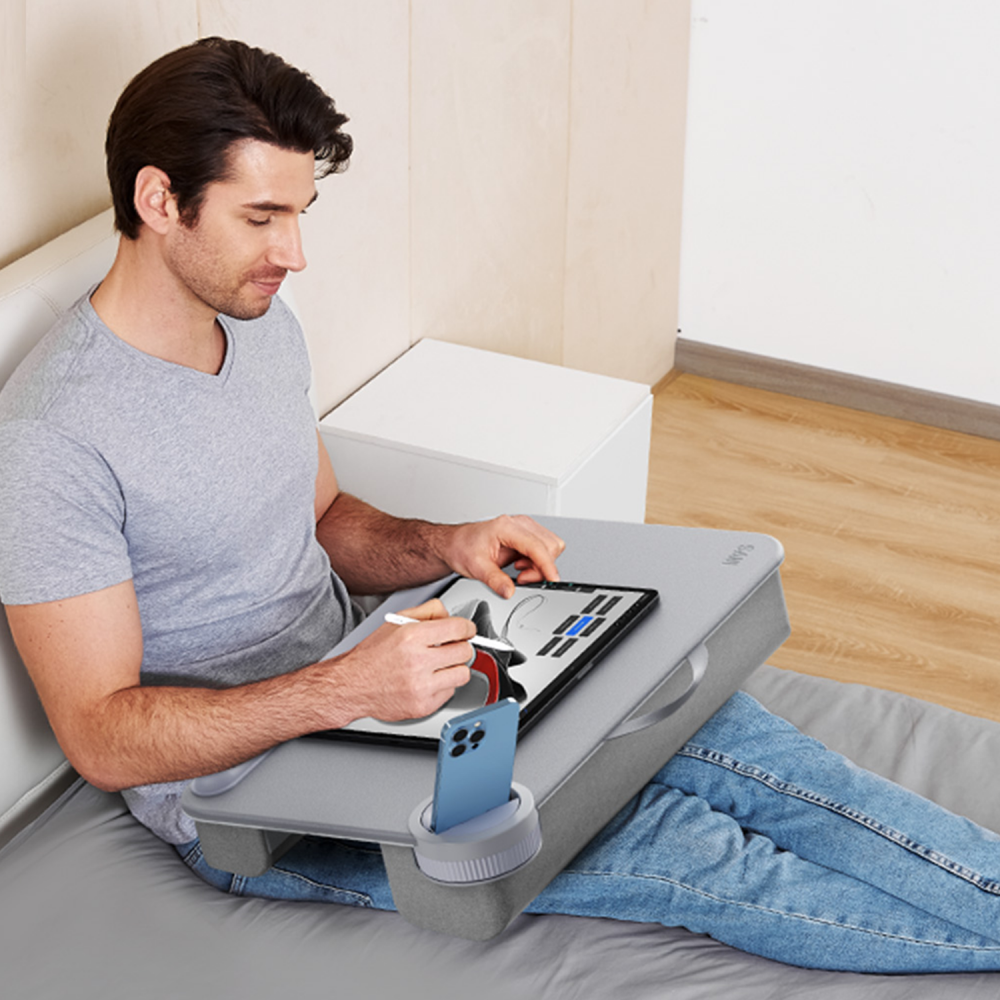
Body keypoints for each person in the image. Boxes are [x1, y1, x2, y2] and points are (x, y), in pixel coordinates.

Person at [1, 37, 998, 974]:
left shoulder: (256, 322)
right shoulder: (54, 437)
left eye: (300, 214)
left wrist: (447, 543)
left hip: (380, 687)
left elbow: (325, 519)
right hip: (252, 802)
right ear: (159, 199)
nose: (293, 253)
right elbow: (101, 736)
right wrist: (341, 692)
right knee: (687, 849)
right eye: (261, 219)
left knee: (734, 742)